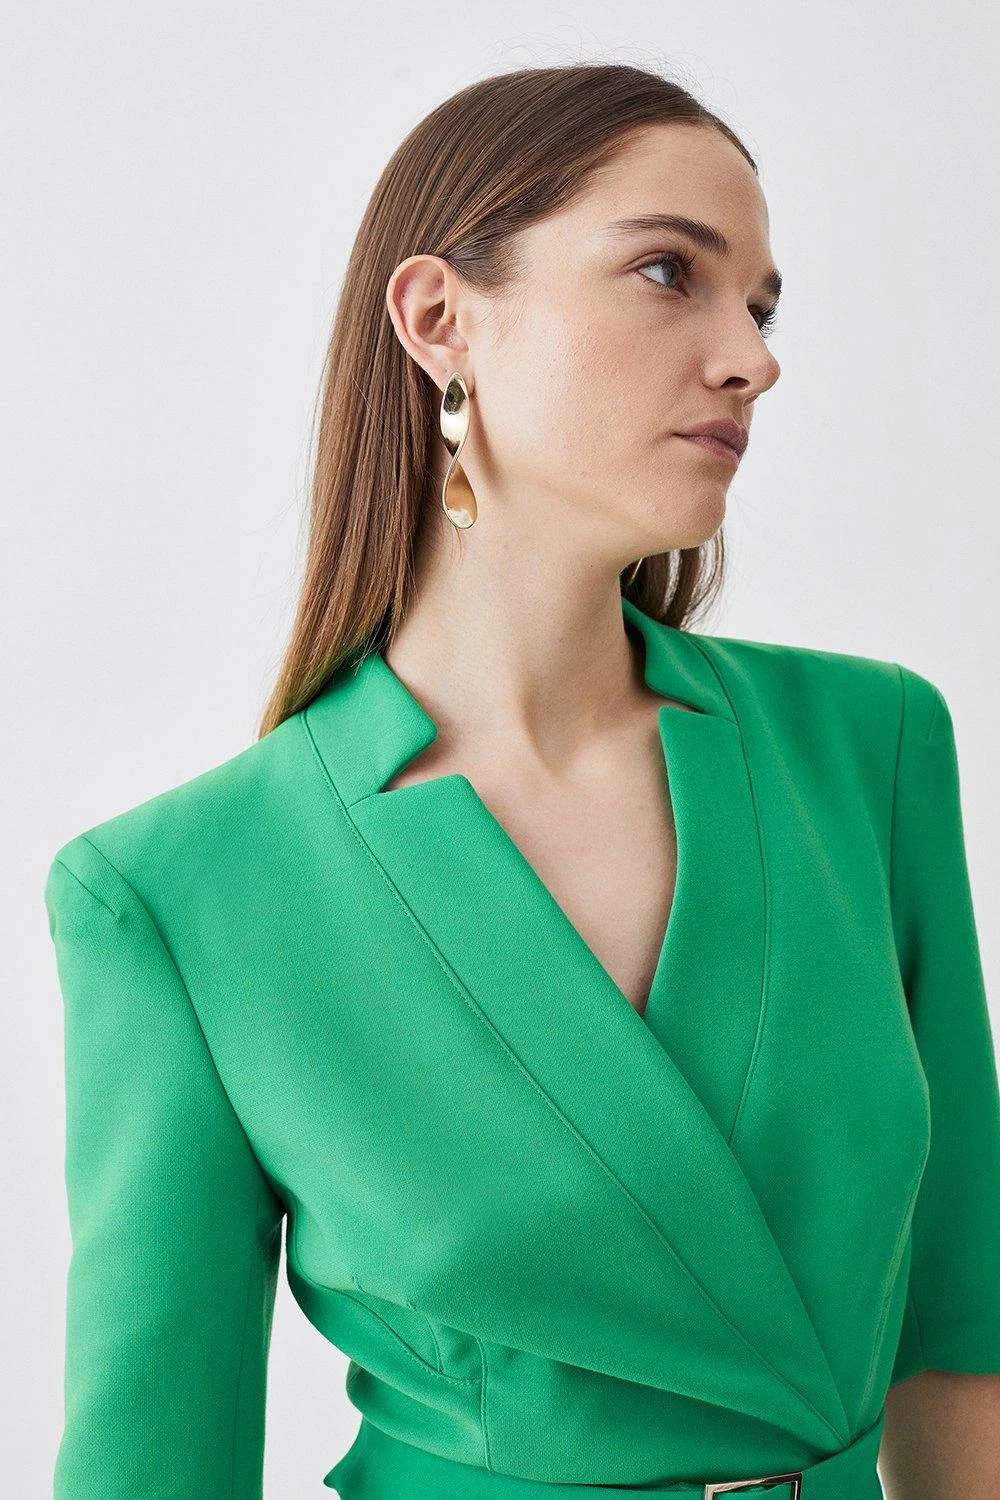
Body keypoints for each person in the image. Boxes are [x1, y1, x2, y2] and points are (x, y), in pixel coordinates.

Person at [43, 61, 1000, 1500]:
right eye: (669, 272)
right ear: (441, 320)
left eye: (762, 307)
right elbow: (153, 1465)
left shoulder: (870, 751)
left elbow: (962, 1326)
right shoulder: (181, 893)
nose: (752, 359)